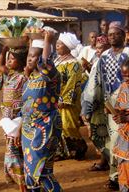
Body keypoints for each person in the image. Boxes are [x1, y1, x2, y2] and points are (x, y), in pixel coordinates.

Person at [80, 21, 129, 190]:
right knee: (113, 141)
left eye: (116, 34)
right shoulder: (105, 57)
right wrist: (88, 105)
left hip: (126, 106)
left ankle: (119, 177)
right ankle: (116, 176)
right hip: (112, 108)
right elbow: (95, 81)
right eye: (110, 34)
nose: (113, 37)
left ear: (124, 36)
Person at [21, 31, 62, 191]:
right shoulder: (30, 79)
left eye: (34, 56)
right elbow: (25, 107)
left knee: (40, 171)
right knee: (30, 171)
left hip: (46, 128)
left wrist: (47, 39)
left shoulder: (51, 77)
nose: (30, 59)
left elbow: (45, 63)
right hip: (28, 130)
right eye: (29, 56)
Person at [0, 46, 28, 192]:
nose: (9, 61)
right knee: (15, 148)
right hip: (7, 118)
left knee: (14, 149)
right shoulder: (9, 75)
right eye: (8, 59)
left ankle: (22, 183)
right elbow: (0, 66)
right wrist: (4, 49)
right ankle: (23, 181)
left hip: (19, 117)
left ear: (20, 62)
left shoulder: (23, 76)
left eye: (12, 59)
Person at [54, 32, 88, 160]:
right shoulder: (57, 61)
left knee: (68, 125)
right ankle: (62, 151)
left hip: (68, 101)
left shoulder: (74, 63)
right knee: (57, 125)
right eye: (56, 43)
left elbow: (73, 83)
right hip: (55, 99)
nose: (57, 46)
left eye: (60, 44)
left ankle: (81, 146)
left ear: (68, 47)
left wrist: (64, 100)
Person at [81, 35, 111, 171]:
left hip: (104, 104)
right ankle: (106, 161)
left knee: (101, 134)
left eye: (101, 48)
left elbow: (95, 87)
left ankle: (110, 164)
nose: (98, 51)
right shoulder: (98, 60)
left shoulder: (106, 61)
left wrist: (86, 108)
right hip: (98, 104)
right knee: (102, 134)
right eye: (97, 48)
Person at [112, 59, 129, 192]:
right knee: (123, 169)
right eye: (124, 75)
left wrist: (126, 117)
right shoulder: (124, 86)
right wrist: (116, 114)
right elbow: (119, 105)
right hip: (124, 137)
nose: (126, 78)